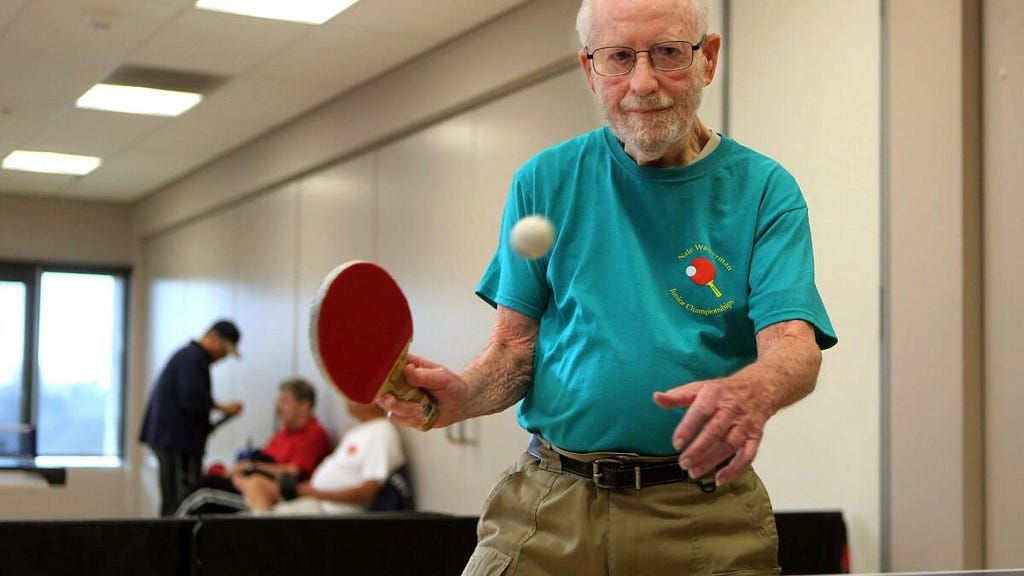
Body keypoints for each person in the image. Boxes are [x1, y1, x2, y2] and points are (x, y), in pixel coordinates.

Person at [379, 0, 838, 573]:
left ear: (708, 58)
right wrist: (463, 393)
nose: (642, 84)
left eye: (667, 53)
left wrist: (754, 391)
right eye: (618, 58)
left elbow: (794, 344)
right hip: (552, 502)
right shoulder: (544, 181)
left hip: (702, 508)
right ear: (589, 69)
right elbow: (515, 352)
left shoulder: (765, 190)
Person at [139, 319, 245, 516]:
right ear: (213, 338)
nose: (222, 357)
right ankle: (173, 543)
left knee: (174, 499)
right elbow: (193, 399)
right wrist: (223, 407)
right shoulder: (193, 358)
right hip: (178, 443)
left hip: (171, 441)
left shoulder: (189, 357)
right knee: (182, 500)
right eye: (224, 350)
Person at [239, 399, 405, 516]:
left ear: (375, 399)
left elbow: (368, 492)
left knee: (256, 526)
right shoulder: (360, 431)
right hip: (317, 501)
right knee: (255, 487)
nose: (347, 398)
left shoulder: (381, 433)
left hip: (331, 511)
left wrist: (317, 493)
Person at [216, 378, 333, 494]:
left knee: (205, 493)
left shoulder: (313, 435)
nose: (278, 407)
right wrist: (239, 474)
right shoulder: (282, 433)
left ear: (305, 405)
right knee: (209, 481)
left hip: (273, 493)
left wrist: (251, 467)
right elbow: (262, 461)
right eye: (279, 402)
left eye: (285, 401)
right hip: (250, 484)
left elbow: (292, 473)